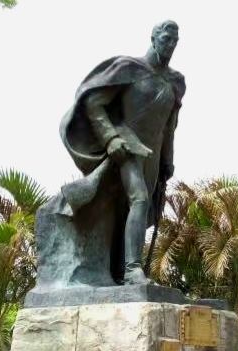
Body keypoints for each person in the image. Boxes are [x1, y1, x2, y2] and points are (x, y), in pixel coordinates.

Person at [55, 20, 185, 286]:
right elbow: (94, 102)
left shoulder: (176, 82)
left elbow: (169, 126)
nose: (171, 45)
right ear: (153, 38)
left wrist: (168, 160)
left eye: (175, 40)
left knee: (136, 209)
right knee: (139, 199)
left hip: (153, 152)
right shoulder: (129, 68)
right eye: (166, 39)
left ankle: (118, 269)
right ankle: (132, 270)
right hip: (128, 142)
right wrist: (111, 137)